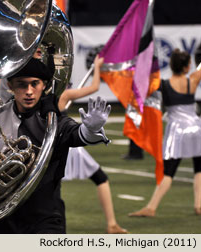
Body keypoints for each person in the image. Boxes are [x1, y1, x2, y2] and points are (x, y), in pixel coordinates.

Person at [0, 57, 111, 234]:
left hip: (43, 217)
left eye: (34, 84)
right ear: (10, 86)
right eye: (21, 84)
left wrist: (90, 130)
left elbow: (75, 134)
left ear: (44, 85)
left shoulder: (52, 120)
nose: (29, 91)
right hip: (2, 215)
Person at [129, 49, 201, 217]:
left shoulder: (164, 84)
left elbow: (141, 86)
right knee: (199, 168)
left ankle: (151, 207)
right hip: (196, 128)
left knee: (169, 172)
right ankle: (199, 205)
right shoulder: (193, 79)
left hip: (177, 130)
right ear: (186, 68)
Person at [59, 55, 127, 234]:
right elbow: (95, 87)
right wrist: (97, 66)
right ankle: (111, 223)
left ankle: (112, 224)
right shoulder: (64, 94)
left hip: (60, 144)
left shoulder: (50, 95)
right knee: (100, 178)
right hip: (67, 144)